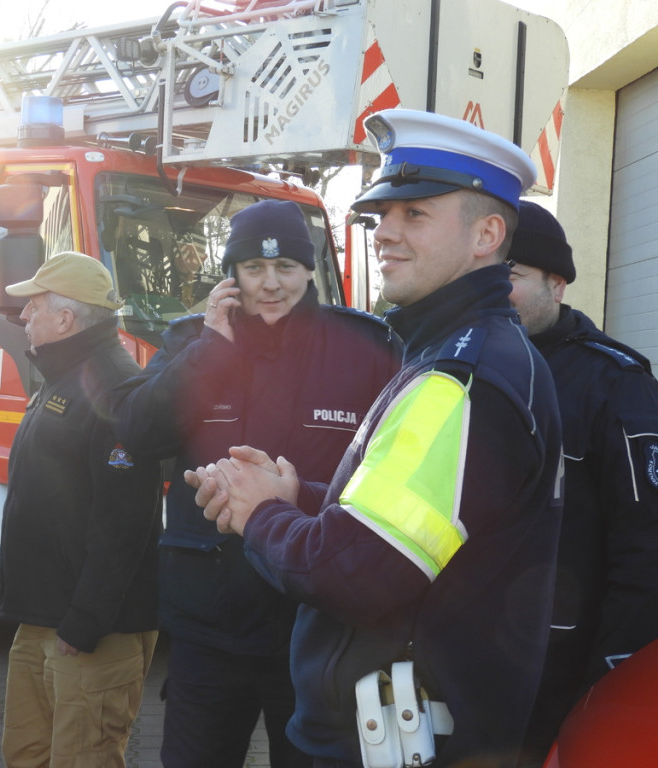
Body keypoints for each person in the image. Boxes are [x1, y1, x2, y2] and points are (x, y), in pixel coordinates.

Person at [189, 109, 565, 768]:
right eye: (380, 215)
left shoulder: (460, 376)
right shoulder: (456, 355)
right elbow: (414, 520)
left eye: (414, 214)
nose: (384, 233)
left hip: (395, 743)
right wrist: (298, 494)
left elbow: (354, 574)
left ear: (488, 234)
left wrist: (260, 512)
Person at [110, 199, 402, 768]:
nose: (271, 284)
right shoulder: (192, 340)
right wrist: (210, 354)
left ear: (310, 269)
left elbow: (388, 471)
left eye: (287, 268)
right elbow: (137, 434)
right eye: (253, 269)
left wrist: (295, 495)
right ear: (231, 274)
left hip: (316, 625)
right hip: (209, 626)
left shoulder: (367, 347)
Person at [0, 251, 163, 768]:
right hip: (42, 619)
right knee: (26, 755)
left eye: (35, 306)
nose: (24, 316)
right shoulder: (63, 375)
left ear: (66, 319)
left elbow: (125, 525)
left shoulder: (117, 387)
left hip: (90, 634)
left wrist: (84, 623)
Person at [507, 201, 658, 763]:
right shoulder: (461, 370)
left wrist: (610, 681)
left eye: (512, 276)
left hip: (565, 681)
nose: (495, 291)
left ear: (557, 283)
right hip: (473, 668)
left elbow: (646, 549)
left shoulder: (615, 384)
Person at [170, 231, 212, 310]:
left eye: (188, 254)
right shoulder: (166, 282)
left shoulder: (211, 290)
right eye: (178, 253)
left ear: (203, 258)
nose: (182, 258)